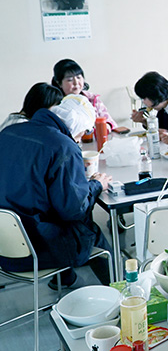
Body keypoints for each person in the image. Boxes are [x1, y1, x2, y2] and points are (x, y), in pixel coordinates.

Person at [0, 94, 113, 289]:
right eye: (81, 134)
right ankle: (123, 291)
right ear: (77, 127)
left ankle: (65, 279)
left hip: (4, 246)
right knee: (87, 227)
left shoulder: (8, 132)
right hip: (35, 251)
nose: (78, 139)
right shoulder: (62, 145)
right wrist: (95, 185)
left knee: (48, 210)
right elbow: (73, 209)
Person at [52, 59, 118, 132]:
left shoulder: (92, 99)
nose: (76, 82)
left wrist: (107, 125)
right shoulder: (56, 105)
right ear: (59, 83)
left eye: (78, 77)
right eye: (70, 79)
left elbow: (111, 123)